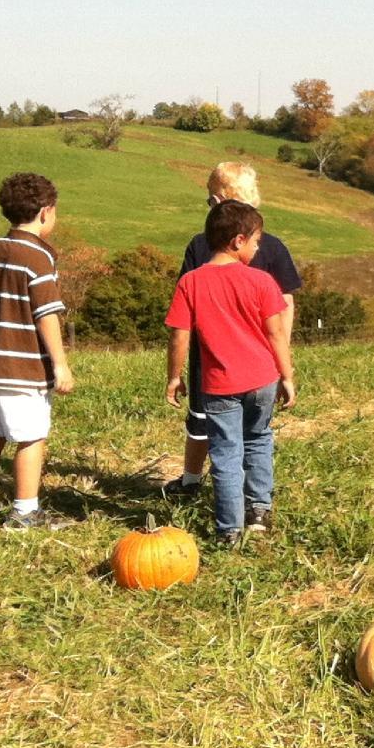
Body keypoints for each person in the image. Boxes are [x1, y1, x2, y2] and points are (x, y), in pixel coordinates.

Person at [163, 162, 301, 500]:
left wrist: (175, 371)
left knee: (201, 425)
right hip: (262, 361)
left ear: (217, 200)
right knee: (256, 432)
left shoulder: (200, 245)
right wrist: (281, 353)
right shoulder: (273, 245)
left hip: (211, 357)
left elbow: (187, 303)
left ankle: (192, 482)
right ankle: (255, 500)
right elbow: (286, 303)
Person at [0, 171, 76, 530]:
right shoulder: (38, 258)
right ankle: (25, 512)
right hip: (20, 367)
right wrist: (61, 365)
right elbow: (47, 315)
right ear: (44, 212)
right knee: (31, 436)